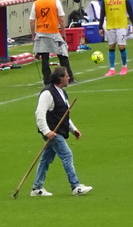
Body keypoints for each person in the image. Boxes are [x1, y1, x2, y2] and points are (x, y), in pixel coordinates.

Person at [30, 66, 92, 197]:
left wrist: (73, 129)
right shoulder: (47, 93)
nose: (69, 78)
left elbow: (64, 115)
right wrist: (47, 132)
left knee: (46, 158)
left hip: (57, 131)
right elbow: (39, 114)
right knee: (67, 155)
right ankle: (75, 186)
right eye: (67, 76)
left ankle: (36, 188)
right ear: (60, 78)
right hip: (52, 133)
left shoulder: (62, 92)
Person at [29, 0, 74, 85]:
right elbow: (61, 19)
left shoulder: (36, 3)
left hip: (41, 33)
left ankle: (47, 80)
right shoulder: (55, 1)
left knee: (44, 58)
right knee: (63, 54)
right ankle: (69, 77)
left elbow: (32, 21)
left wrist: (33, 35)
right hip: (53, 32)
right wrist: (63, 32)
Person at [98, 0, 133, 76]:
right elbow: (102, 13)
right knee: (111, 46)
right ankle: (112, 69)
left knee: (121, 46)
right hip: (110, 25)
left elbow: (130, 11)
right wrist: (100, 26)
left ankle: (124, 67)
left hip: (122, 25)